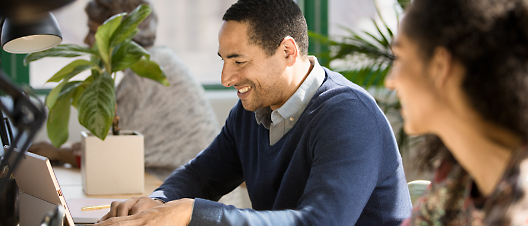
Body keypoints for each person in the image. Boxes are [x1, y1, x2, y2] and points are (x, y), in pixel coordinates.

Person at [96, 0, 411, 225]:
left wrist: (191, 213)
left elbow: (318, 222)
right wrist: (157, 203)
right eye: (223, 60)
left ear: (288, 52)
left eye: (238, 61)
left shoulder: (349, 116)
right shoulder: (252, 111)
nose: (226, 78)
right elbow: (200, 176)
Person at [29, 0, 219, 180]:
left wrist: (56, 153)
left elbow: (109, 161)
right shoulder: (158, 61)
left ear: (119, 36)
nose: (86, 40)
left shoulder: (142, 77)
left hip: (194, 202)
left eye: (93, 31)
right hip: (193, 193)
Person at [385, 0, 528, 224]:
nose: (390, 81)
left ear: (440, 66)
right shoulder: (457, 176)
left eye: (399, 58)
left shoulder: (519, 211)